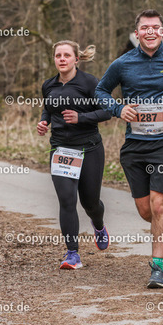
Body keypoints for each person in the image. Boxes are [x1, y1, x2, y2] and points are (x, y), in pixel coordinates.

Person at [95, 9, 163, 288]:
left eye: (155, 27)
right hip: (135, 145)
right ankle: (162, 219)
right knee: (146, 211)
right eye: (145, 28)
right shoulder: (122, 64)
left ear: (162, 31)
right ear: (137, 33)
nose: (150, 31)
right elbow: (100, 92)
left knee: (158, 205)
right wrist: (118, 109)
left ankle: (158, 268)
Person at [37, 40, 112, 270]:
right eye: (58, 55)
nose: (62, 59)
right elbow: (48, 108)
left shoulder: (90, 82)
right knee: (67, 200)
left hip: (89, 148)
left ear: (76, 59)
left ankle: (98, 224)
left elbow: (107, 111)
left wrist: (81, 118)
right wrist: (44, 122)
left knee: (90, 202)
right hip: (61, 149)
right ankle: (72, 254)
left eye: (66, 55)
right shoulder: (48, 85)